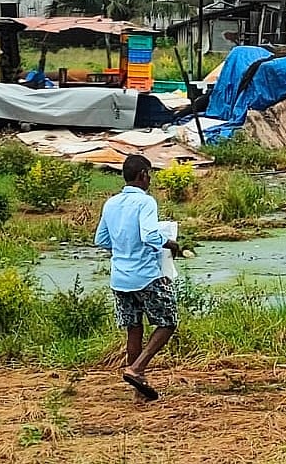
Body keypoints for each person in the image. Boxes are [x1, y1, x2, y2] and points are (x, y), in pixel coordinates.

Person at [95, 154, 182, 402]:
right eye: (149, 174)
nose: (150, 179)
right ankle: (137, 369)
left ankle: (138, 392)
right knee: (167, 322)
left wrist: (123, 247)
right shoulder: (146, 203)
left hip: (120, 278)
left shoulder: (111, 204)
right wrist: (169, 243)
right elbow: (149, 236)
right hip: (145, 275)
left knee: (134, 329)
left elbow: (101, 240)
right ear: (142, 174)